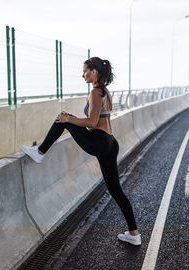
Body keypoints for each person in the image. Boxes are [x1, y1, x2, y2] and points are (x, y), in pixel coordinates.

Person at [21, 57, 141, 246]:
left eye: (85, 70)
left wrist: (69, 119)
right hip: (110, 142)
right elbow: (98, 120)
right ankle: (134, 234)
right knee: (116, 190)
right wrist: (71, 119)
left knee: (62, 119)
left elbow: (92, 123)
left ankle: (40, 152)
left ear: (94, 72)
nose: (82, 74)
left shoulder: (95, 93)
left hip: (99, 141)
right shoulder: (105, 92)